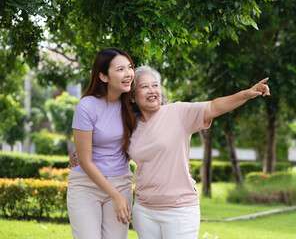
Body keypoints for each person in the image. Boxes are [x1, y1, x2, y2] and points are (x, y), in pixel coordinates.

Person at [70, 65, 270, 239]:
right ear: (132, 96)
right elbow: (113, 150)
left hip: (179, 209)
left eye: (155, 85)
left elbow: (215, 106)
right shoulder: (131, 125)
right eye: (144, 86)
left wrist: (247, 93)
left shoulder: (179, 113)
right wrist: (80, 154)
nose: (152, 90)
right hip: (144, 210)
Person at [67, 47, 136, 239]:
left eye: (129, 67)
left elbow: (152, 136)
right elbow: (86, 161)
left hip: (121, 181)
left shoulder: (132, 105)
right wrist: (115, 195)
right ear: (103, 77)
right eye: (120, 69)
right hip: (85, 185)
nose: (128, 73)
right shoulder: (87, 106)